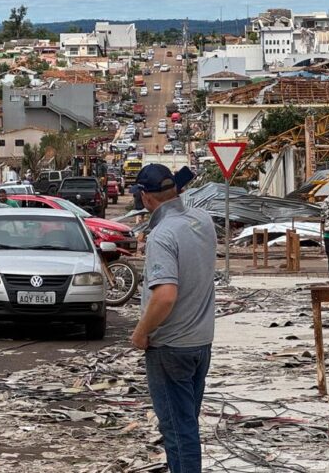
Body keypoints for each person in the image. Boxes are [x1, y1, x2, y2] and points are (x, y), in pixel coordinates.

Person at [130, 164, 216, 473]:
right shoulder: (202, 220)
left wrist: (141, 332)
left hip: (170, 347)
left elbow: (165, 295)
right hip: (200, 342)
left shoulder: (162, 235)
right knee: (186, 423)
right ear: (175, 189)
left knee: (178, 431)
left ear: (145, 197)